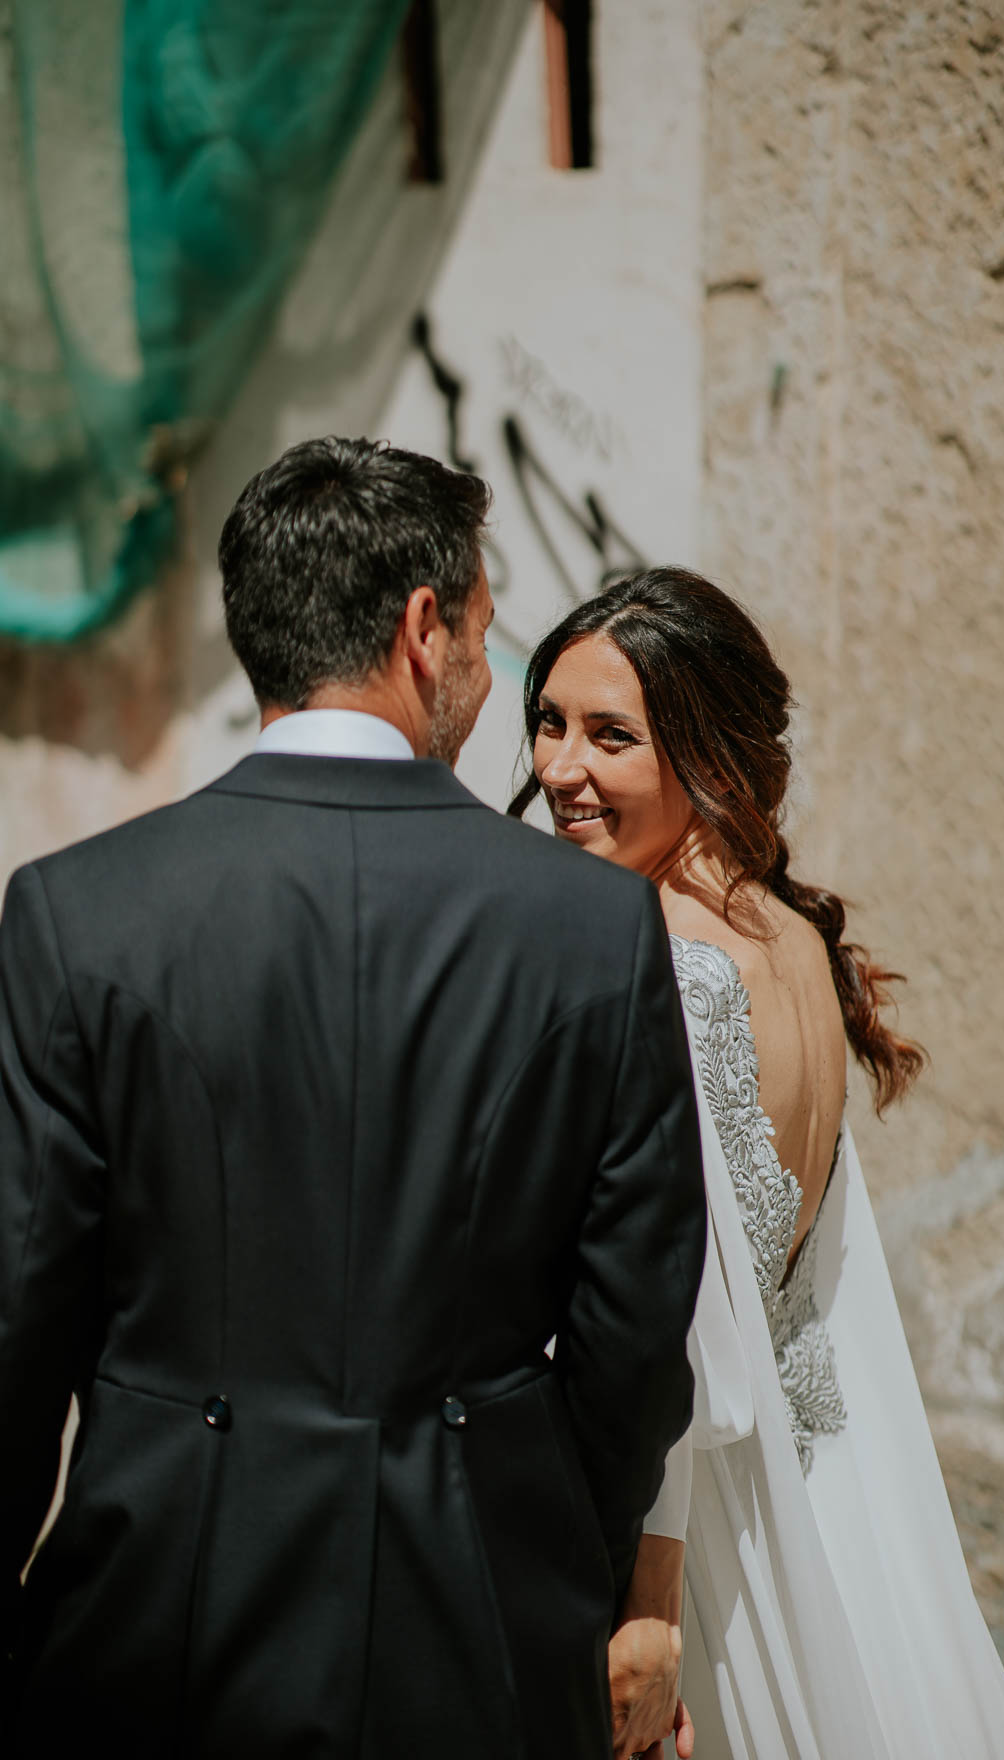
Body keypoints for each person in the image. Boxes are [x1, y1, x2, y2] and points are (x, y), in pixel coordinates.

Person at [0, 440, 708, 1759]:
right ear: (422, 629)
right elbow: (631, 1346)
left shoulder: (78, 913)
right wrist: (553, 1571)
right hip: (473, 1634)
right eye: (485, 638)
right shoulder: (595, 928)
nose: (487, 685)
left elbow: (18, 1314)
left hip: (148, 1633)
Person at [511, 567, 1004, 1760]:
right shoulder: (788, 932)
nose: (558, 768)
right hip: (809, 1503)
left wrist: (647, 1601)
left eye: (611, 735)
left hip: (685, 1534)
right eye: (548, 721)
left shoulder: (656, 952)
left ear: (707, 755)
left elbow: (680, 1309)